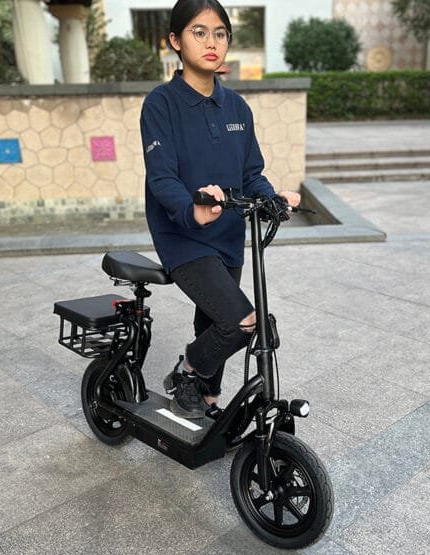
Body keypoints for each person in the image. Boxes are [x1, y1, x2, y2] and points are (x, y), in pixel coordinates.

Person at [140, 0, 300, 419]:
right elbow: (162, 179)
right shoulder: (161, 104)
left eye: (220, 33)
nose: (212, 42)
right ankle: (186, 372)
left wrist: (273, 199)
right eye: (199, 32)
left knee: (211, 322)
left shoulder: (237, 109)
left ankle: (207, 401)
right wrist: (191, 209)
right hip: (184, 237)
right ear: (175, 40)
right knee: (242, 322)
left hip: (228, 235)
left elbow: (252, 173)